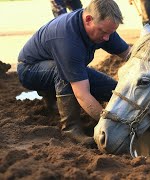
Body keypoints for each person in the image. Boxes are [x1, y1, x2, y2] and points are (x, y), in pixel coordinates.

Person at [17, 0, 131, 147]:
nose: (106, 38)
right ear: (88, 20)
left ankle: (52, 97)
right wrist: (111, 122)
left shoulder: (104, 29)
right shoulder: (67, 39)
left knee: (113, 89)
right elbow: (82, 94)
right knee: (64, 73)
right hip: (30, 70)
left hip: (62, 63)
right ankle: (70, 129)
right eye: (103, 32)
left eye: (111, 33)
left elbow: (129, 54)